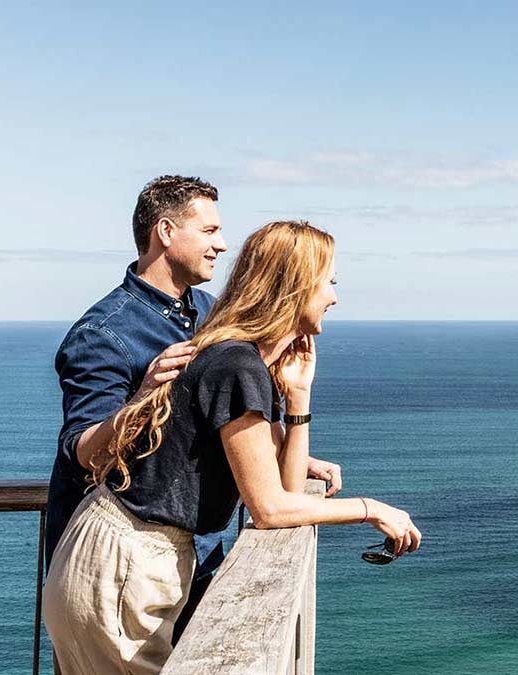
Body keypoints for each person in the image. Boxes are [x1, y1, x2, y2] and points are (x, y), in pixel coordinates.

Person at [44, 220, 422, 675]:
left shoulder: (241, 359)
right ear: (295, 286)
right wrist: (373, 509)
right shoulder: (237, 364)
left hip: (135, 561)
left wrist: (299, 397)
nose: (334, 296)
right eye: (329, 282)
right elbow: (270, 509)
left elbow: (286, 486)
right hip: (123, 565)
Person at [47, 176, 345, 639]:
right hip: (125, 553)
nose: (222, 245)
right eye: (209, 232)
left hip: (194, 551)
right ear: (166, 232)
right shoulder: (103, 334)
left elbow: (212, 420)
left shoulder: (209, 314)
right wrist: (144, 398)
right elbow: (80, 452)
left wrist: (279, 449)